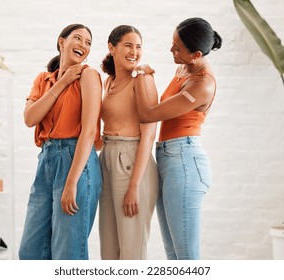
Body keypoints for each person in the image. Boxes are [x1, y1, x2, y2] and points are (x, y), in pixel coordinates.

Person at [134, 17, 222, 260]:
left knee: (186, 256)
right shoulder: (183, 69)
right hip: (169, 158)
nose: (171, 50)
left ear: (195, 54)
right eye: (172, 43)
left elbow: (147, 114)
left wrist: (142, 75)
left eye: (177, 48)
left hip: (185, 162)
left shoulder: (202, 84)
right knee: (172, 252)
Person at [18, 24, 102, 260]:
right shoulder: (43, 79)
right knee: (30, 252)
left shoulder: (88, 75)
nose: (83, 45)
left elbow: (88, 132)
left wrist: (71, 183)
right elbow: (30, 118)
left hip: (76, 161)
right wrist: (62, 83)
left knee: (68, 254)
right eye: (78, 38)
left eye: (88, 43)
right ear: (61, 42)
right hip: (46, 160)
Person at [99, 25, 159, 260]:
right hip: (108, 158)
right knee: (109, 250)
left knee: (132, 251)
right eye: (128, 45)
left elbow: (149, 135)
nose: (134, 51)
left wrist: (134, 187)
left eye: (138, 46)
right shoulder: (108, 82)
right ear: (111, 48)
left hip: (133, 162)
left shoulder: (143, 81)